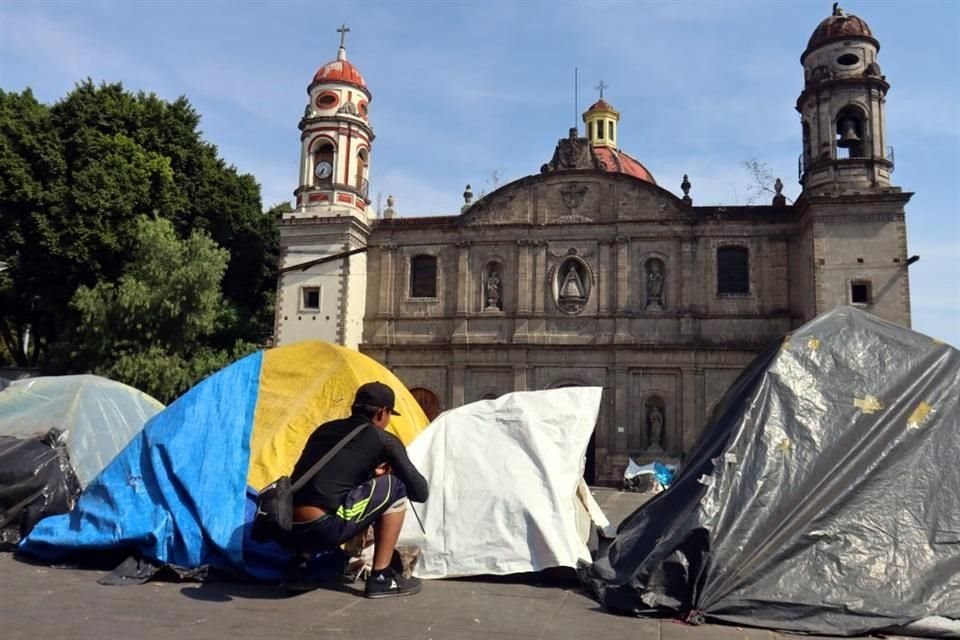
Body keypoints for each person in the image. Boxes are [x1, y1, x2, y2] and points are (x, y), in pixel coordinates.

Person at [289, 381, 429, 598]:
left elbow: (331, 480)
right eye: (390, 414)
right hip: (323, 528)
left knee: (321, 495)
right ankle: (381, 577)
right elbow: (420, 492)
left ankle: (300, 567)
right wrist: (389, 474)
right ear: (382, 413)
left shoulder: (324, 429)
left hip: (287, 527)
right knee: (395, 486)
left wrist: (370, 476)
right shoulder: (384, 440)